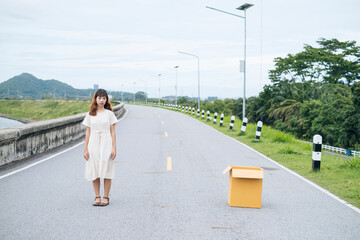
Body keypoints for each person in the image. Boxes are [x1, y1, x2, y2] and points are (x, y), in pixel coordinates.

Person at [82, 89, 118, 206]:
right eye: (99, 98)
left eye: (104, 98)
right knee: (95, 169)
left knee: (107, 168)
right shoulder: (90, 114)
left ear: (106, 100)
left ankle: (106, 197)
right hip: (93, 142)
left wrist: (114, 148)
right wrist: (85, 149)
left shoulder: (110, 114)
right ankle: (97, 196)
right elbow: (88, 132)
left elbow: (113, 132)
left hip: (106, 142)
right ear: (95, 99)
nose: (101, 100)